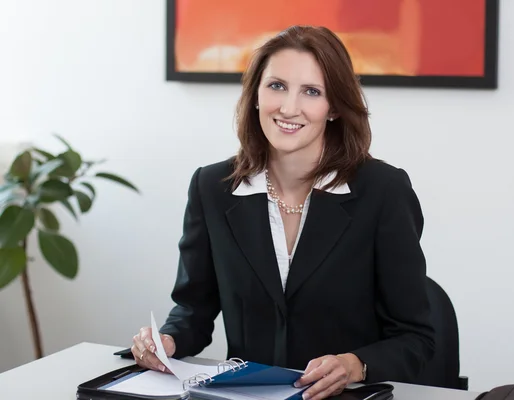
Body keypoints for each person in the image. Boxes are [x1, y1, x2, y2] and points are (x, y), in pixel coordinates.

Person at [132, 25, 434, 400]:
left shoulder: (383, 191)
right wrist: (168, 340)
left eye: (311, 91)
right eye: (276, 86)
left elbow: (417, 338)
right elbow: (194, 308)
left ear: (335, 106)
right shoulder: (212, 188)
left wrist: (354, 363)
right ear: (256, 95)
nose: (289, 108)